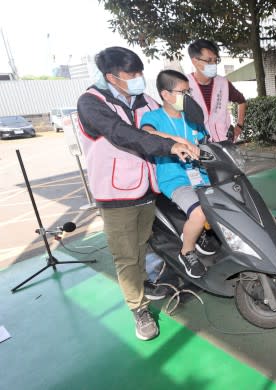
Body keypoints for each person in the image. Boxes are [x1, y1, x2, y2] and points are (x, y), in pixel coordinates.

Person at [77, 47, 199, 341]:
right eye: (132, 74)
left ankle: (144, 284)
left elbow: (159, 125)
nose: (138, 79)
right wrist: (171, 145)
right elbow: (122, 133)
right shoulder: (91, 103)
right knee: (126, 255)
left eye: (140, 72)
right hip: (116, 193)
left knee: (143, 244)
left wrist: (180, 137)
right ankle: (138, 309)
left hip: (146, 186)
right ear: (112, 77)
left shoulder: (144, 99)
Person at [140, 69, 218, 279]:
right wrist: (177, 142)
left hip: (200, 175)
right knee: (200, 212)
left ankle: (198, 232)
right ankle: (187, 251)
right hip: (174, 179)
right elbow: (146, 133)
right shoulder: (153, 117)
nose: (188, 96)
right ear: (165, 94)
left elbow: (204, 144)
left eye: (188, 91)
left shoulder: (190, 116)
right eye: (183, 92)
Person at [186, 39, 247, 142]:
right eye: (209, 60)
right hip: (195, 144)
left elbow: (242, 101)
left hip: (223, 141)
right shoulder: (183, 84)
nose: (214, 64)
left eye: (215, 60)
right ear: (194, 61)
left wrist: (239, 126)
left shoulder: (223, 83)